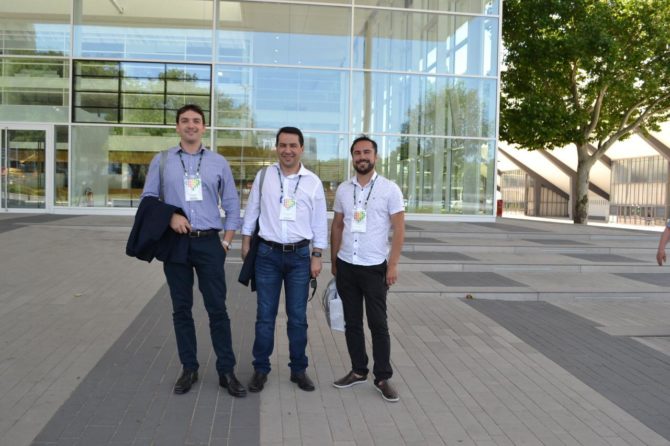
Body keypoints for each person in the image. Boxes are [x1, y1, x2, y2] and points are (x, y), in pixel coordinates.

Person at [140, 104, 246, 397]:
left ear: (204, 127)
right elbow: (148, 199)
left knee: (218, 309)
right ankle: (189, 367)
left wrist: (226, 242)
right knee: (181, 308)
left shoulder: (218, 163)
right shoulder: (161, 162)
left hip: (210, 242)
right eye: (185, 121)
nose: (191, 125)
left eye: (196, 121)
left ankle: (226, 370)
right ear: (177, 127)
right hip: (176, 244)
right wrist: (170, 217)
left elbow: (233, 204)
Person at [241, 126, 328, 393]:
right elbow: (252, 210)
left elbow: (319, 222)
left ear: (301, 149)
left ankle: (298, 370)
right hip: (267, 254)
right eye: (282, 145)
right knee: (264, 316)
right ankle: (260, 369)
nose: (287, 150)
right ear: (276, 148)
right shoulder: (264, 176)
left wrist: (317, 255)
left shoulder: (312, 181)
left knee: (298, 317)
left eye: (293, 145)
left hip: (300, 257)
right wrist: (246, 242)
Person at [330, 135, 405, 402]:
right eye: (357, 153)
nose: (362, 157)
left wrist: (392, 265)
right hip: (347, 265)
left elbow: (399, 230)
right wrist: (334, 260)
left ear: (375, 156)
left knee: (378, 324)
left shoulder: (389, 189)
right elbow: (338, 225)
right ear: (352, 157)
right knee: (352, 323)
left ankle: (382, 377)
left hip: (375, 268)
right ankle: (358, 370)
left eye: (366, 152)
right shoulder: (342, 189)